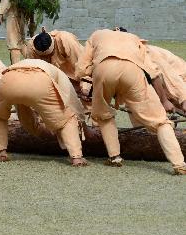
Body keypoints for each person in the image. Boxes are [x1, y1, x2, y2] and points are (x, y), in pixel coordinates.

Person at [78, 28, 186, 174]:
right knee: (160, 121)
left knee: (103, 115)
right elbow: (153, 73)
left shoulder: (97, 35)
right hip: (133, 72)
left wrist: (90, 84)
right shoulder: (134, 38)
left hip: (103, 68)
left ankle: (115, 157)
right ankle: (179, 164)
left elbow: (81, 69)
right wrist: (164, 101)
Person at [0, 58, 88, 167]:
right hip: (40, 81)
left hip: (8, 79)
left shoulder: (26, 62)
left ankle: (0, 152)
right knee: (66, 119)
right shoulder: (59, 73)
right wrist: (81, 120)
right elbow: (72, 101)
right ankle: (77, 158)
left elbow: (23, 104)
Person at [24, 29, 89, 102]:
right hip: (59, 83)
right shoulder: (31, 48)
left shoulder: (66, 40)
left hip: (79, 76)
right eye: (43, 57)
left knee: (88, 99)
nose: (47, 58)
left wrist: (85, 87)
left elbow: (82, 65)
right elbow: (34, 73)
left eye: (49, 55)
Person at [146, 45, 186, 114]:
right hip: (167, 85)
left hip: (180, 79)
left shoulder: (148, 53)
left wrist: (184, 99)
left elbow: (170, 75)